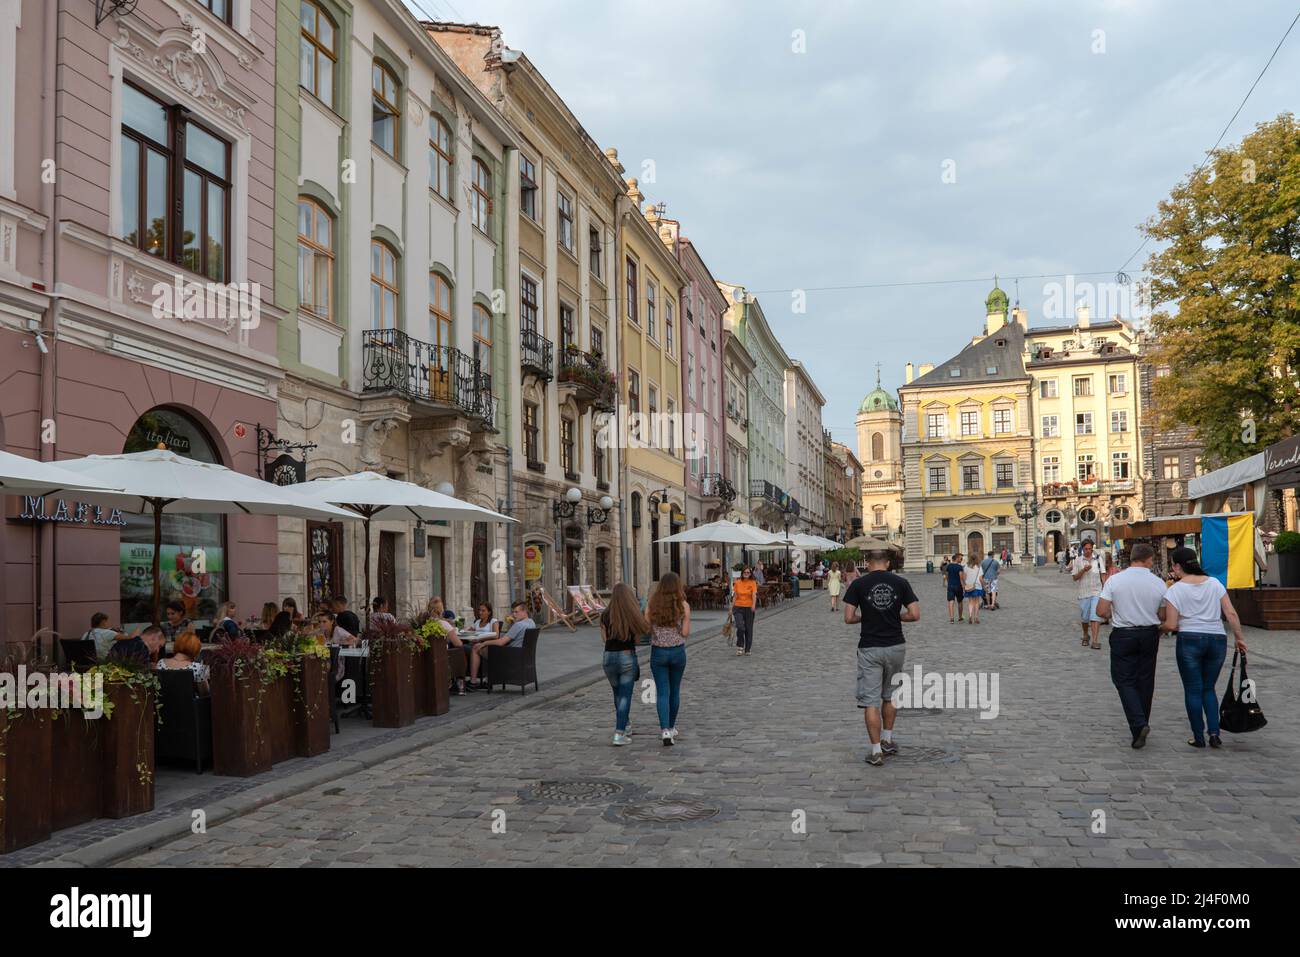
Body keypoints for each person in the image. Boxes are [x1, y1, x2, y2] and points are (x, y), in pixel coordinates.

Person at [1160, 546, 1248, 749]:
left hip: (1190, 638)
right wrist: (1239, 638)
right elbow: (1230, 613)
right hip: (1216, 639)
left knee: (1193, 690)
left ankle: (1198, 736)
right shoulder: (1214, 583)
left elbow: (1171, 624)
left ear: (1178, 566)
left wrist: (1158, 631)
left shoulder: (1174, 590)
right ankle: (1214, 733)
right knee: (1208, 688)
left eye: (1173, 566)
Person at [842, 548, 919, 766]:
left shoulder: (858, 584)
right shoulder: (901, 583)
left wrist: (866, 617)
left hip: (870, 647)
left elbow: (848, 618)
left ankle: (876, 752)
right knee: (891, 695)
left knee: (871, 701)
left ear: (867, 563)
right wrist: (897, 616)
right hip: (895, 645)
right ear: (887, 563)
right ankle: (887, 739)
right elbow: (915, 614)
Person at [1096, 543, 1169, 749]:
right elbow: (1163, 615)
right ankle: (1141, 722)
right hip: (1149, 634)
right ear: (1149, 559)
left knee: (1124, 680)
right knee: (1145, 680)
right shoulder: (1159, 583)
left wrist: (1114, 613)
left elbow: (1101, 611)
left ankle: (1139, 723)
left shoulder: (1115, 580)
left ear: (1132, 558)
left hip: (1124, 634)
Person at [600, 583, 650, 746]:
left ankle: (626, 725)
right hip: (627, 656)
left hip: (608, 657)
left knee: (617, 694)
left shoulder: (605, 615)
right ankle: (619, 733)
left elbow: (604, 639)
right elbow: (638, 640)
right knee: (624, 696)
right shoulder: (632, 614)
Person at [646, 572, 689, 746]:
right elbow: (685, 632)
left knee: (663, 692)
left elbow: (646, 628)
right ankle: (671, 727)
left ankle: (664, 730)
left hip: (658, 653)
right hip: (677, 652)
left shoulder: (652, 604)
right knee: (675, 690)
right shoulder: (683, 605)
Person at [467, 599, 535, 690]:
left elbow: (501, 642)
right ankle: (487, 680)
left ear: (524, 611)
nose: (513, 615)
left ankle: (473, 682)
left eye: (516, 612)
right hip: (522, 655)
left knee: (476, 647)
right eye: (513, 612)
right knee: (488, 648)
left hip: (510, 656)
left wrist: (484, 643)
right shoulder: (531, 622)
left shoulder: (518, 625)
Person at [1071, 540, 1105, 649]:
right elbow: (1074, 578)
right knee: (1085, 617)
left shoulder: (1098, 559)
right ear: (1082, 549)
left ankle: (1095, 641)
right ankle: (1086, 635)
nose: (1088, 551)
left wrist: (1105, 588)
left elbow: (1103, 574)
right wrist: (1083, 570)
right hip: (1084, 592)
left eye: (1090, 549)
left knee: (1095, 616)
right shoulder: (1078, 560)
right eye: (1086, 549)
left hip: (1097, 591)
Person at [729, 566, 759, 656]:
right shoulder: (737, 582)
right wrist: (731, 608)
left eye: (748, 572)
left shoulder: (753, 582)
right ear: (742, 573)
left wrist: (753, 605)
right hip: (738, 607)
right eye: (745, 572)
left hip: (749, 608)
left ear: (750, 574)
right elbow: (735, 596)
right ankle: (740, 646)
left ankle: (747, 649)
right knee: (740, 627)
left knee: (748, 629)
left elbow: (754, 595)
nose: (746, 574)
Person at [962, 554, 984, 625]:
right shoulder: (979, 567)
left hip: (969, 586)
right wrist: (983, 586)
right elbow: (980, 578)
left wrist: (965, 584)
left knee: (970, 602)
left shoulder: (966, 566)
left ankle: (970, 616)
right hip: (977, 586)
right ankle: (976, 617)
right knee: (977, 602)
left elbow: (964, 577)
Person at [945, 553, 965, 623]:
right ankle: (960, 617)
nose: (961, 560)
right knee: (960, 601)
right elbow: (961, 578)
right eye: (961, 558)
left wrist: (949, 582)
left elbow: (947, 575)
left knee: (951, 601)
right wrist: (963, 586)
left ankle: (951, 618)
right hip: (958, 586)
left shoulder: (949, 566)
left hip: (950, 586)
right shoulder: (959, 567)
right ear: (957, 558)